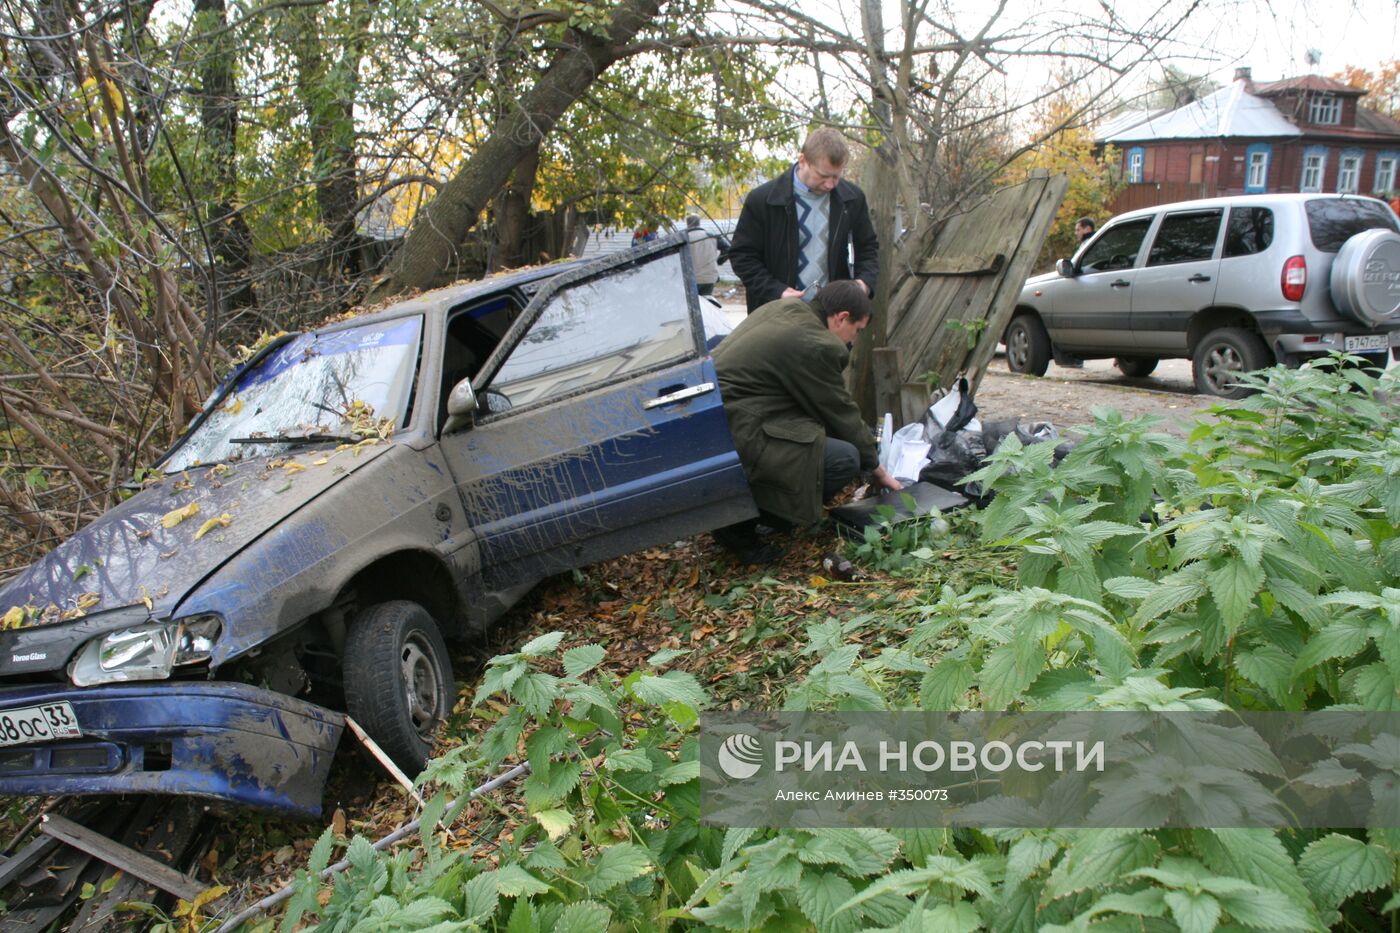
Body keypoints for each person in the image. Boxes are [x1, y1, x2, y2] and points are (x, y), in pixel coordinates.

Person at [710, 280, 902, 562]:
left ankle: (748, 514)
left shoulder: (786, 308)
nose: (853, 341)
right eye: (857, 331)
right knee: (844, 459)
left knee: (818, 434)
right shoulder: (817, 344)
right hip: (741, 428)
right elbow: (841, 412)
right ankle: (740, 525)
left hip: (720, 418)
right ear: (841, 318)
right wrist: (877, 469)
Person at [727, 128, 879, 314]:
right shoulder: (763, 200)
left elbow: (868, 247)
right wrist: (777, 291)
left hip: (832, 315)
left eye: (836, 176)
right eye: (823, 175)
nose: (830, 184)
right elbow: (742, 257)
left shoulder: (852, 199)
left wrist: (863, 284)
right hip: (774, 314)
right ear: (803, 161)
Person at [685, 214, 729, 296]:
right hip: (709, 278)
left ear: (687, 224)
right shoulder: (712, 236)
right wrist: (718, 262)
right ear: (699, 223)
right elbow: (728, 249)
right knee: (707, 303)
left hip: (690, 279)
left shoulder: (685, 239)